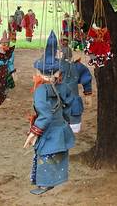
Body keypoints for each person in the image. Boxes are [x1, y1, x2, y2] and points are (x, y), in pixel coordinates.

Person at [24, 31, 78, 196]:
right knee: (58, 156)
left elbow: (45, 115)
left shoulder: (40, 91)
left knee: (45, 155)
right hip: (61, 129)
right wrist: (66, 120)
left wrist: (33, 133)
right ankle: (54, 180)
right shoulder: (62, 86)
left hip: (49, 131)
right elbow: (70, 103)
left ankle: (45, 183)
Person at [59, 51, 93, 134]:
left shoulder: (77, 66)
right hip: (57, 101)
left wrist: (88, 94)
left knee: (73, 127)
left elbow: (86, 77)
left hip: (73, 102)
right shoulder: (54, 65)